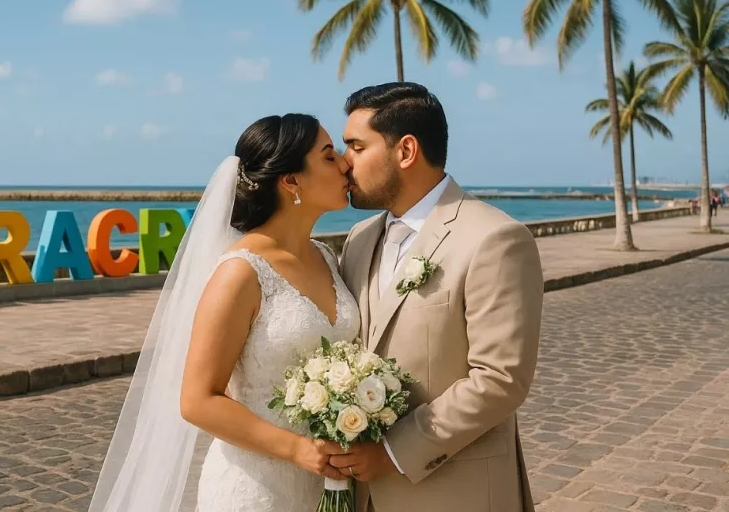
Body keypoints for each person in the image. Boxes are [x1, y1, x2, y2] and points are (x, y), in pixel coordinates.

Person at [87, 113, 360, 512]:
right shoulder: (240, 272)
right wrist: (300, 450)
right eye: (328, 155)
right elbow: (197, 400)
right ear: (291, 181)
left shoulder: (326, 256)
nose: (345, 164)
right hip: (257, 488)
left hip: (325, 486)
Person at [329, 82, 544, 512]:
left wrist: (392, 453)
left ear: (405, 151)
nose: (342, 162)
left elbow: (500, 380)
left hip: (453, 491)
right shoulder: (359, 239)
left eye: (355, 146)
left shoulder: (495, 238)